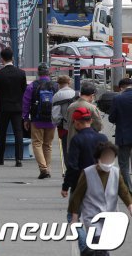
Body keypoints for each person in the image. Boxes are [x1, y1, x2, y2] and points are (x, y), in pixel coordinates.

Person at [61, 107, 109, 255]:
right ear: (90, 120)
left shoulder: (77, 139)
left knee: (73, 216)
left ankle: (85, 246)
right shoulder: (103, 138)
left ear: (77, 123)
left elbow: (73, 166)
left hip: (81, 185)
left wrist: (66, 186)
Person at [68, 142, 132, 251]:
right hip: (92, 215)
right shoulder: (87, 173)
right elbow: (77, 195)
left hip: (110, 215)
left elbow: (124, 192)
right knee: (98, 241)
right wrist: (74, 217)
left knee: (104, 246)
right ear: (98, 158)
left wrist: (130, 207)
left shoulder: (116, 173)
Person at [0, 47, 27, 167]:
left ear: (2, 59)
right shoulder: (21, 73)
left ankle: (0, 158)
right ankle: (19, 159)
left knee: (2, 133)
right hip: (17, 107)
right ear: (12, 58)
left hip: (4, 107)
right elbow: (24, 90)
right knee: (18, 132)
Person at [23, 63, 58, 179]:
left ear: (38, 73)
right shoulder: (55, 86)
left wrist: (25, 118)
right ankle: (47, 168)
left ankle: (43, 169)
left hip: (37, 119)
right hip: (51, 120)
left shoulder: (32, 86)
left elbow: (26, 103)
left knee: (37, 143)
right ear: (49, 73)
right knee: (48, 145)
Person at [108, 78, 132, 192]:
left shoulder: (118, 98)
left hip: (124, 136)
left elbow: (112, 118)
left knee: (124, 165)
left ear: (121, 87)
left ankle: (128, 189)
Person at [67, 82, 103, 150]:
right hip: (88, 143)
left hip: (72, 142)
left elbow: (68, 124)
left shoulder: (71, 106)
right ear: (92, 95)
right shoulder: (92, 108)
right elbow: (99, 126)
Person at [52, 75, 78, 167]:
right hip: (76, 125)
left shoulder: (57, 95)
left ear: (58, 84)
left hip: (64, 126)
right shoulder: (75, 93)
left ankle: (69, 168)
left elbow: (55, 115)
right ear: (69, 82)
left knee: (66, 149)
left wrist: (57, 123)